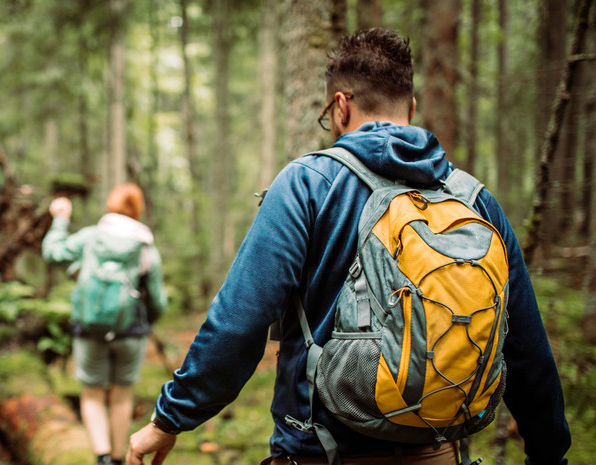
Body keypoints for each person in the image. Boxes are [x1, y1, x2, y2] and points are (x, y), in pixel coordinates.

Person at [127, 29, 570, 465]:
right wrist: (549, 453)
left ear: (340, 106)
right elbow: (527, 349)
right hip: (439, 454)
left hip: (321, 454)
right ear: (411, 108)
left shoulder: (307, 184)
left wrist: (169, 419)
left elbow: (238, 321)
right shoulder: (473, 200)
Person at [43, 183, 167, 465]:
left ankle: (102, 458)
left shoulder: (91, 237)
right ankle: (118, 457)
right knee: (122, 395)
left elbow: (53, 253)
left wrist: (60, 220)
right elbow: (157, 299)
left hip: (90, 330)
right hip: (131, 332)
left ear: (112, 205)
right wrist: (147, 322)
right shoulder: (145, 246)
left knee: (92, 394)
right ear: (137, 209)